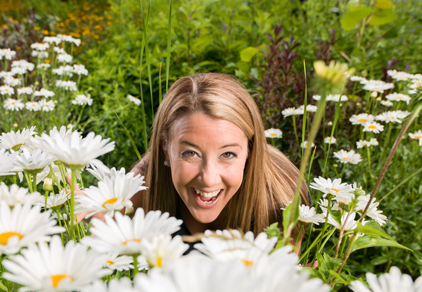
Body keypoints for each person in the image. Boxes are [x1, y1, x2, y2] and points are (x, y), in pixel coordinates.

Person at [129, 73, 309, 239]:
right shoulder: (144, 185)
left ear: (250, 151)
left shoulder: (281, 201)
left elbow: (284, 270)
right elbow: (101, 235)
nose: (208, 179)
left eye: (228, 154)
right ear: (165, 148)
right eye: (191, 153)